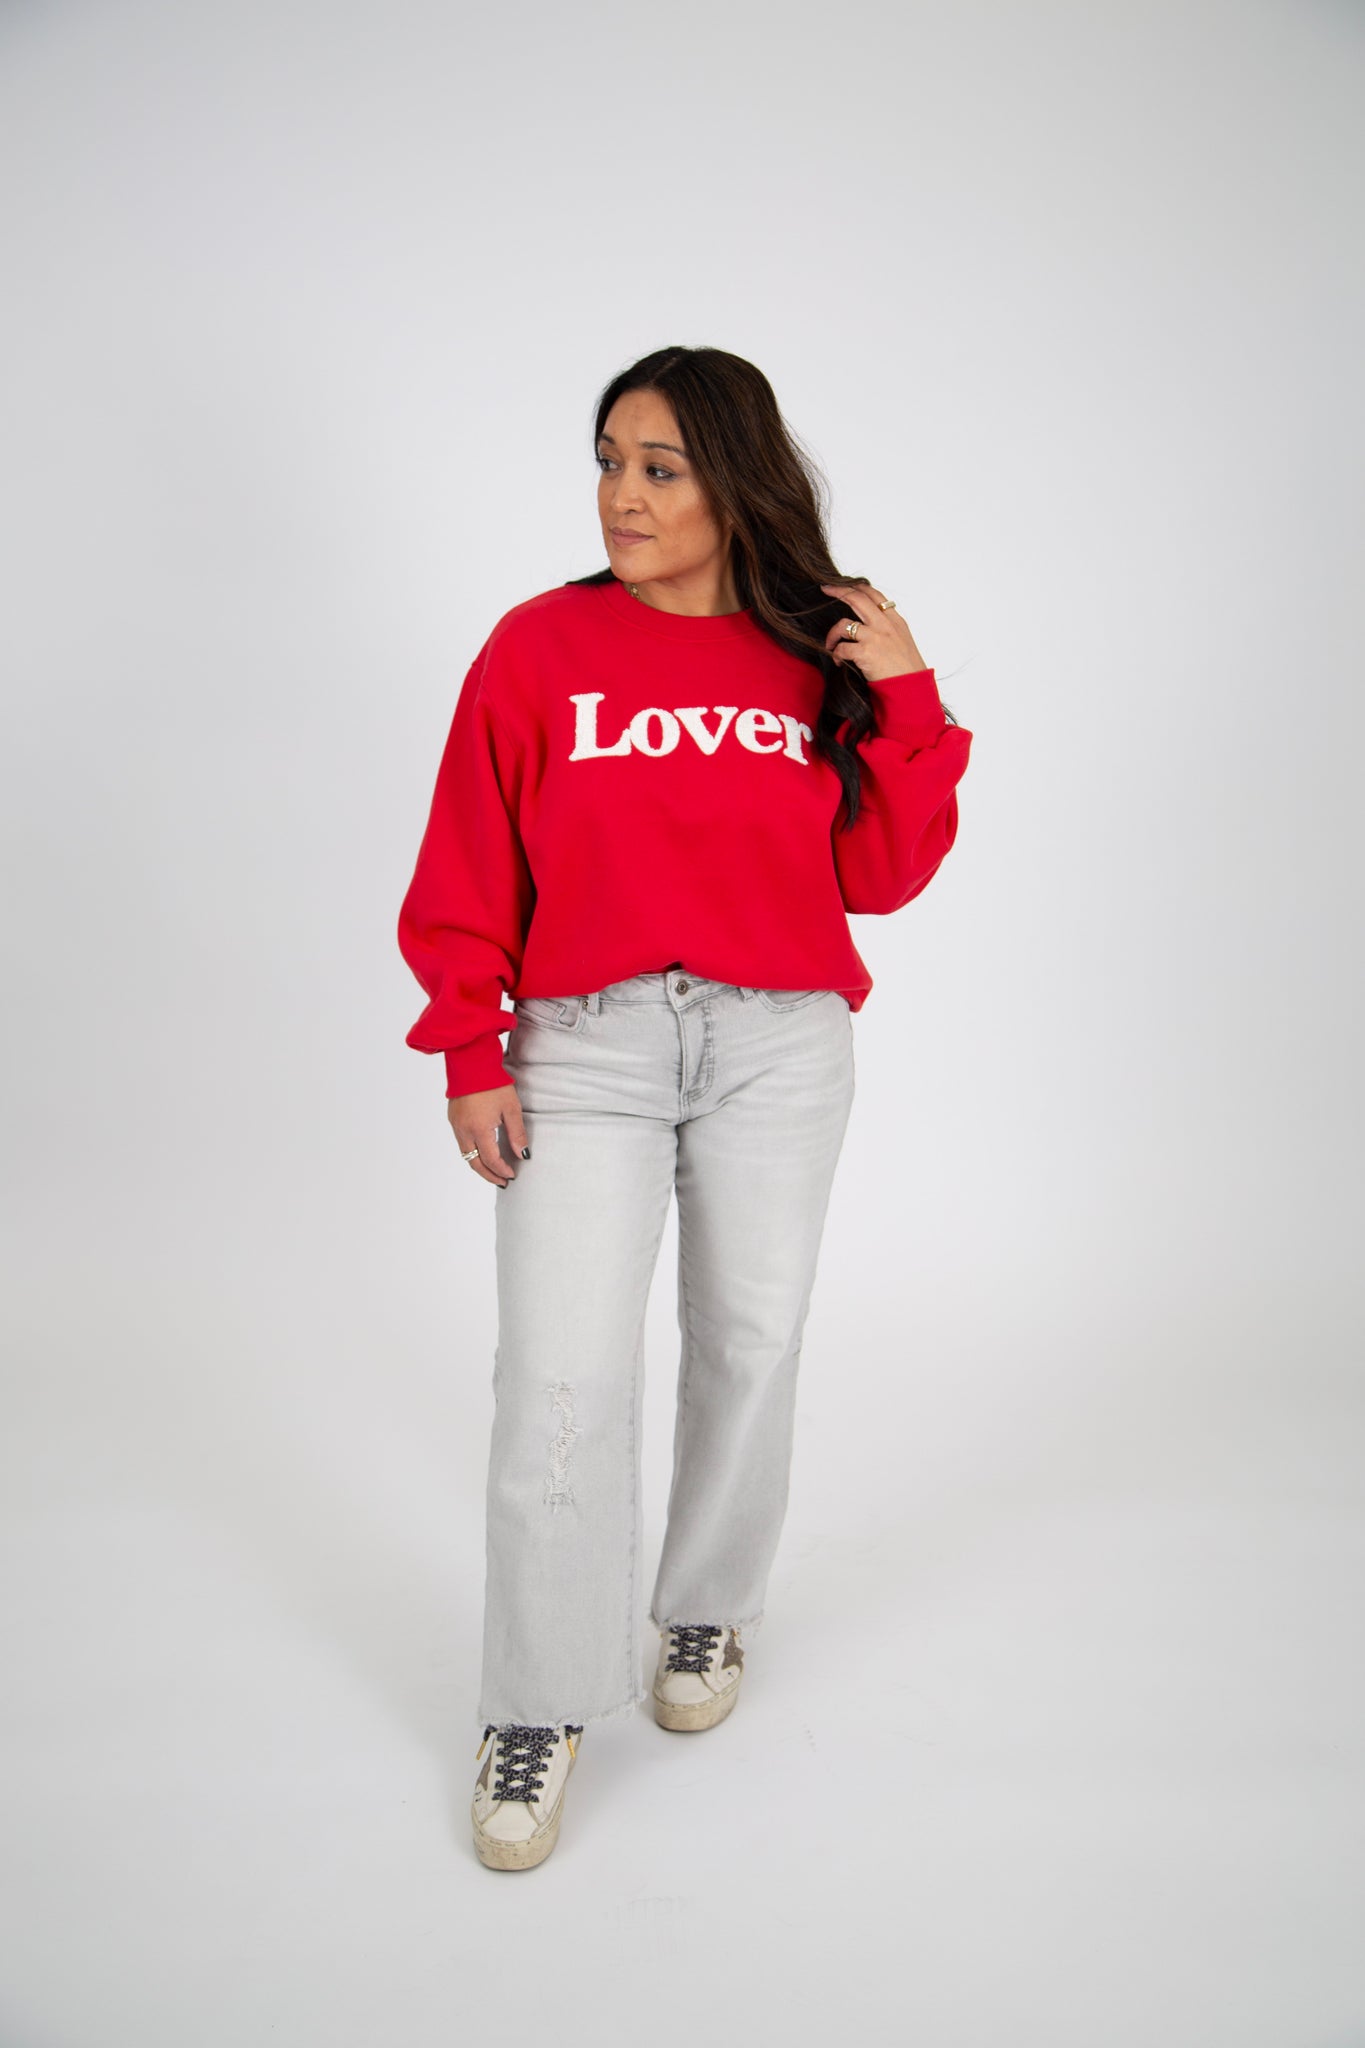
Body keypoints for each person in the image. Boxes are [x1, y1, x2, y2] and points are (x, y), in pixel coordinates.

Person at [397, 344, 973, 1871]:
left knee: (748, 1342)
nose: (622, 495)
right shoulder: (537, 648)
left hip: (776, 1043)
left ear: (734, 480)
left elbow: (880, 875)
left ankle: (705, 1608)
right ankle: (535, 1702)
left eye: (658, 467)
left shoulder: (806, 655)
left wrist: (904, 692)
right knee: (558, 1379)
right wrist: (470, 1050)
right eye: (607, 462)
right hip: (582, 1049)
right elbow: (467, 858)